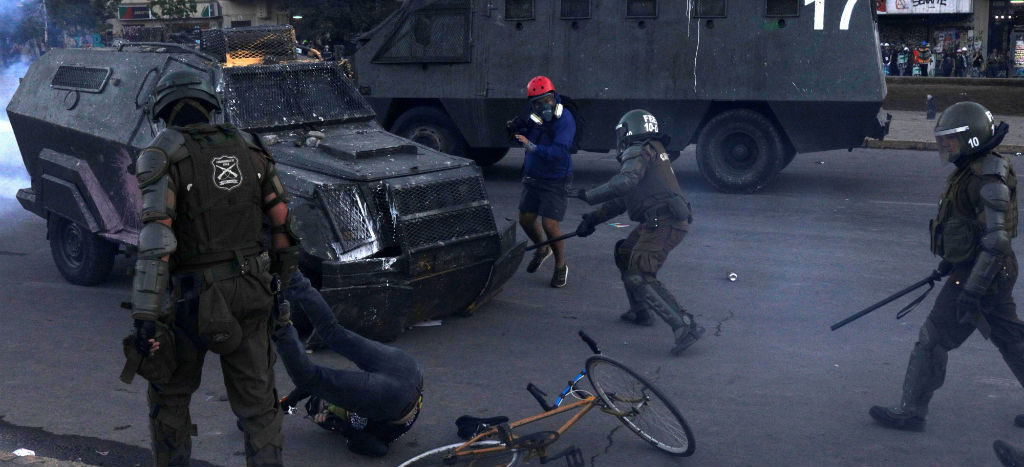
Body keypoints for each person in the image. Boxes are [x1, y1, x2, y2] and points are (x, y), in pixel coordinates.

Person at [123, 69, 299, 467]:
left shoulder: (161, 154)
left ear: (164, 110)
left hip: (193, 299)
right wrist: (278, 283)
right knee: (259, 407)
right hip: (253, 288)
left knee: (169, 397)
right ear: (209, 105)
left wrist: (145, 316)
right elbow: (283, 220)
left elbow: (157, 239)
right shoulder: (249, 146)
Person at [869, 101, 1022, 432]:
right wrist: (950, 264)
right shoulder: (974, 168)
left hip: (984, 275)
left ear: (971, 138)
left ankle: (911, 413)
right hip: (986, 271)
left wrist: (970, 289)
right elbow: (972, 230)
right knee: (1010, 337)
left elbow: (996, 242)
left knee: (933, 338)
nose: (944, 145)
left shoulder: (986, 176)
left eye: (950, 138)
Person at [572, 109, 704, 356]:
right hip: (661, 220)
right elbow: (624, 198)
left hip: (663, 221)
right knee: (625, 252)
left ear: (628, 132)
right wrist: (591, 220)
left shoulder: (638, 149)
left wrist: (587, 195)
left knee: (639, 274)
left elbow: (624, 183)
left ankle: (685, 326)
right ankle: (640, 310)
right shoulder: (652, 150)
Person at [272, 270, 424, 457]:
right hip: (397, 392)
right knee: (318, 360)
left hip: (409, 373)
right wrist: (287, 406)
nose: (325, 405)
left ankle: (291, 277)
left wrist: (337, 425)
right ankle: (289, 282)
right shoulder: (350, 407)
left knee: (332, 333)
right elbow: (377, 449)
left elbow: (376, 448)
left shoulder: (346, 414)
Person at [509, 75, 576, 288]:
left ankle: (560, 266)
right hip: (533, 177)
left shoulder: (565, 119)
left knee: (549, 224)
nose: (544, 105)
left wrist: (532, 147)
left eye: (547, 100)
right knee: (526, 220)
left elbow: (558, 152)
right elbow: (520, 135)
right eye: (538, 102)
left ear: (554, 97)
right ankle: (541, 248)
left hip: (555, 178)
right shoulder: (533, 119)